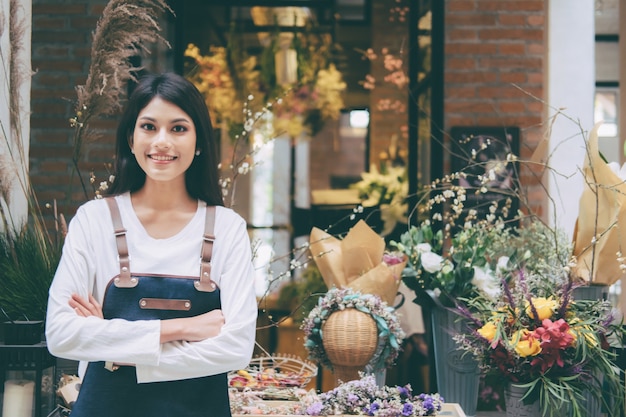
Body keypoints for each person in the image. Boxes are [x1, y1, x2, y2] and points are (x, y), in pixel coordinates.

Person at [45, 72, 258, 417]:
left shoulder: (226, 228)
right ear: (131, 138)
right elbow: (60, 334)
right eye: (148, 127)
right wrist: (181, 328)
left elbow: (235, 347)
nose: (162, 141)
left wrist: (115, 352)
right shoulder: (94, 220)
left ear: (199, 142)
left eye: (178, 128)